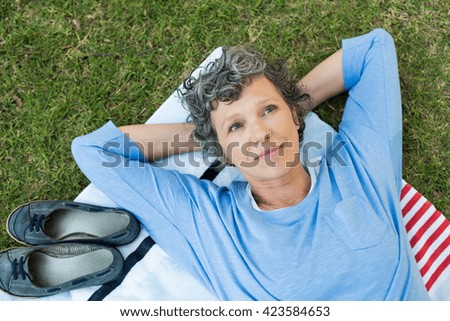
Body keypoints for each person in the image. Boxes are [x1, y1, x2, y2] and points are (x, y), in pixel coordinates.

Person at [71, 28, 430, 300]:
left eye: (268, 110)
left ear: (294, 115)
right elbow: (95, 149)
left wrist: (292, 104)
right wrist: (210, 137)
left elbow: (372, 49)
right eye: (237, 126)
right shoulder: (211, 224)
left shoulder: (360, 167)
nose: (259, 134)